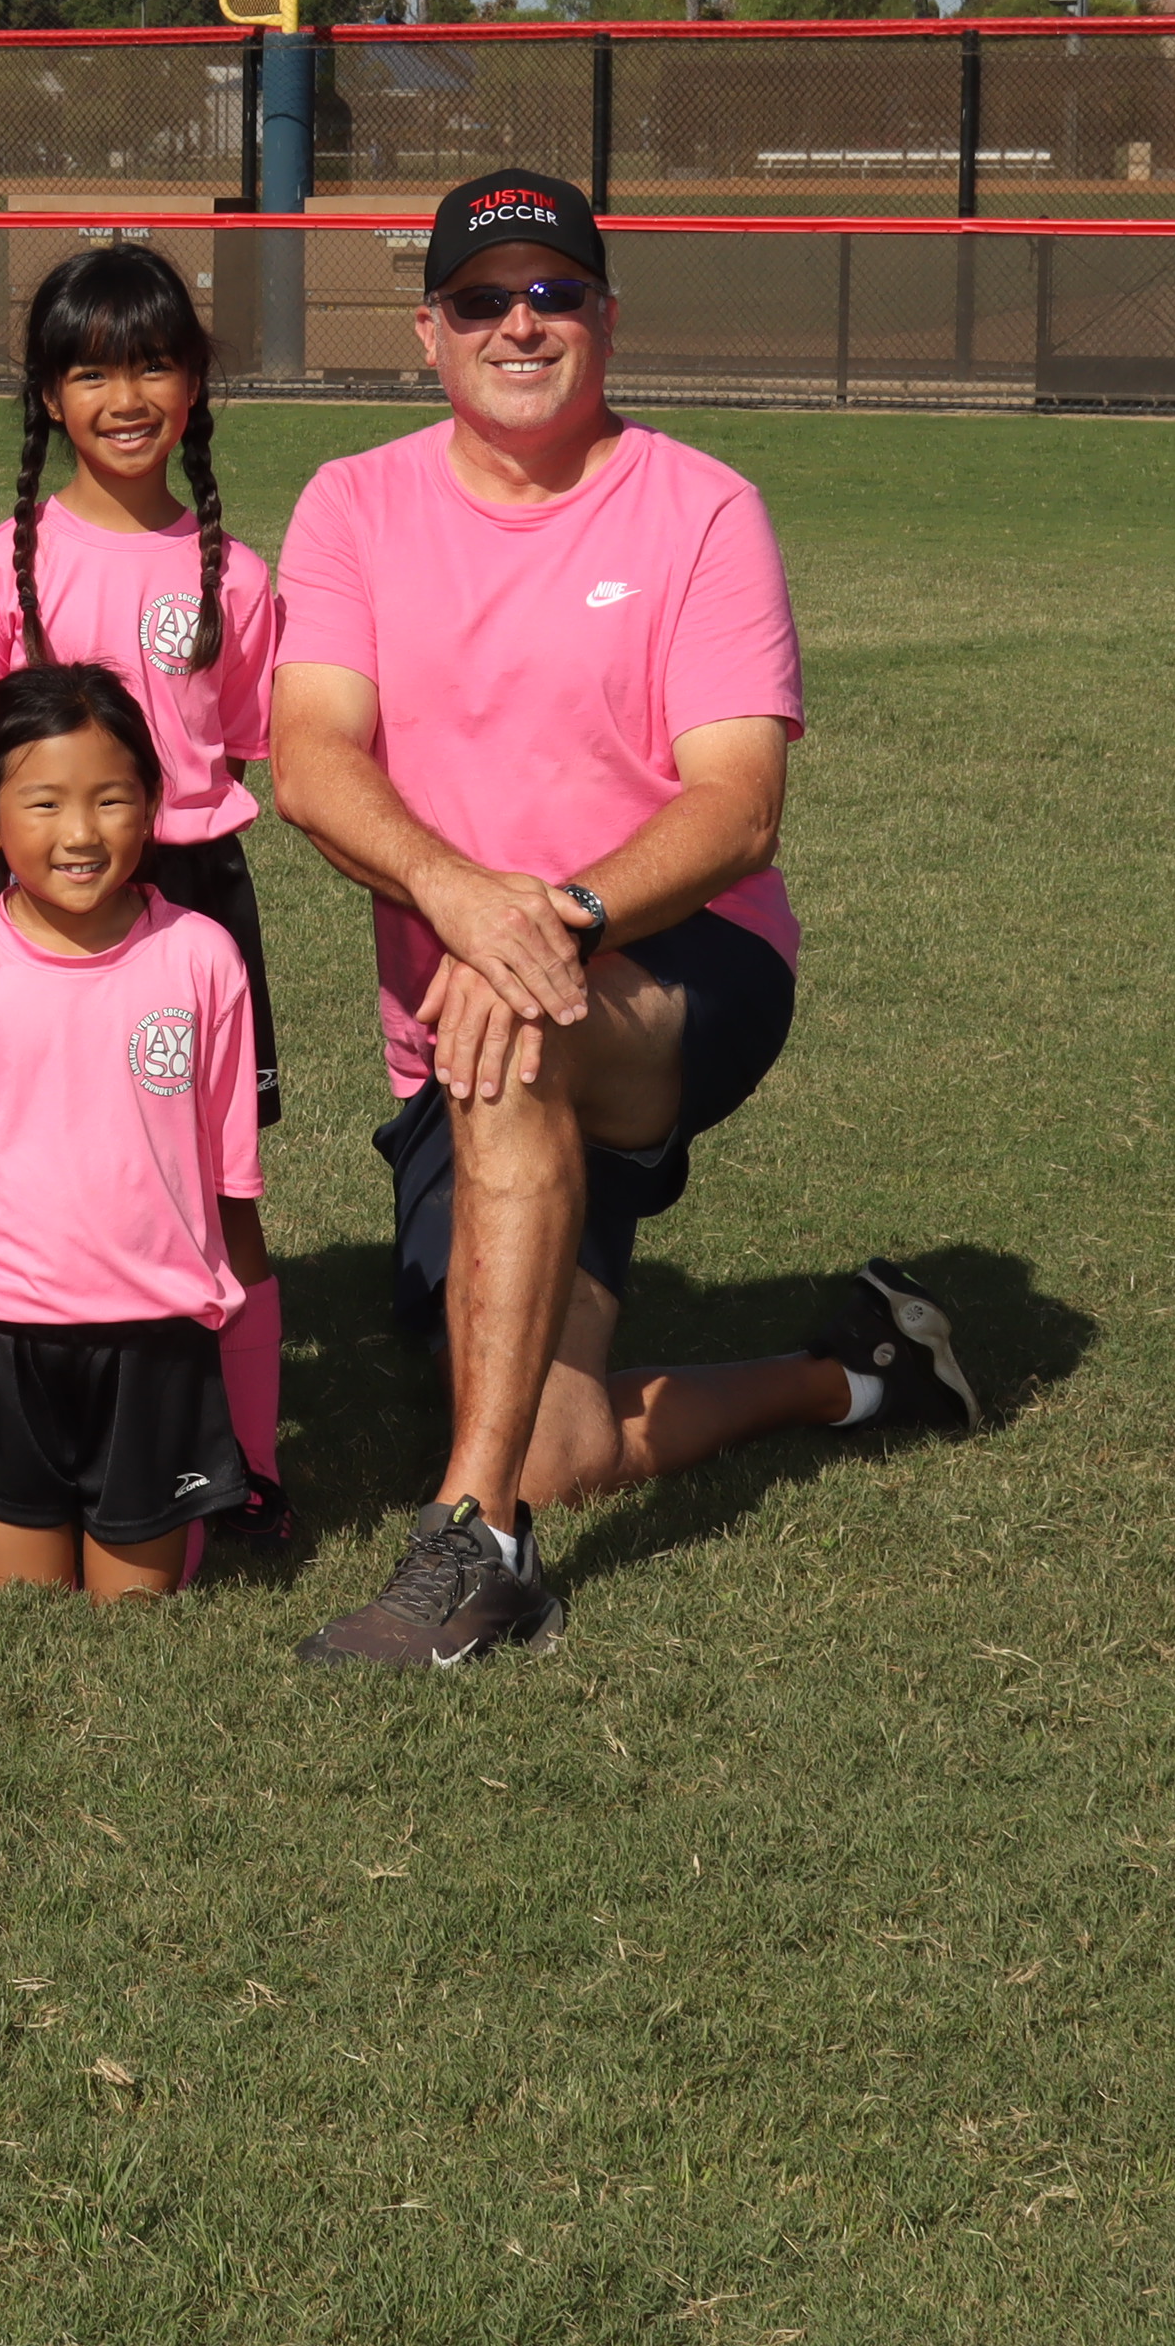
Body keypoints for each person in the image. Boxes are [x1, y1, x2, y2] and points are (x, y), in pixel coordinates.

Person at [274, 171, 976, 1669]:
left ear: (608, 317)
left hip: (678, 961)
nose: (520, 324)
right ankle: (854, 1369)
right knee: (564, 1441)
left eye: (554, 293)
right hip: (466, 1005)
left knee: (519, 1025)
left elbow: (738, 806)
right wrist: (466, 899)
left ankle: (478, 1550)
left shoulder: (700, 506)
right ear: (428, 332)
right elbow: (313, 763)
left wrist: (557, 920)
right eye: (482, 299)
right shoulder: (353, 503)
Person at [0, 241, 296, 1540]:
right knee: (13, 1162)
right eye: (91, 371)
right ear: (49, 395)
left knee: (221, 1189)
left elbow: (238, 745)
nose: (125, 396)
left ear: (195, 384)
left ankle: (246, 1457)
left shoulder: (237, 577)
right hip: (26, 894)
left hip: (190, 892)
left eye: (153, 364)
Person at [0, 664, 266, 1604]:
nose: (81, 833)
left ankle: (216, 1482)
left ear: (152, 803)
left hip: (155, 1333)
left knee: (134, 1606)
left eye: (110, 798)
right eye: (45, 802)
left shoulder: (203, 959)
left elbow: (226, 1175)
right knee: (29, 1600)